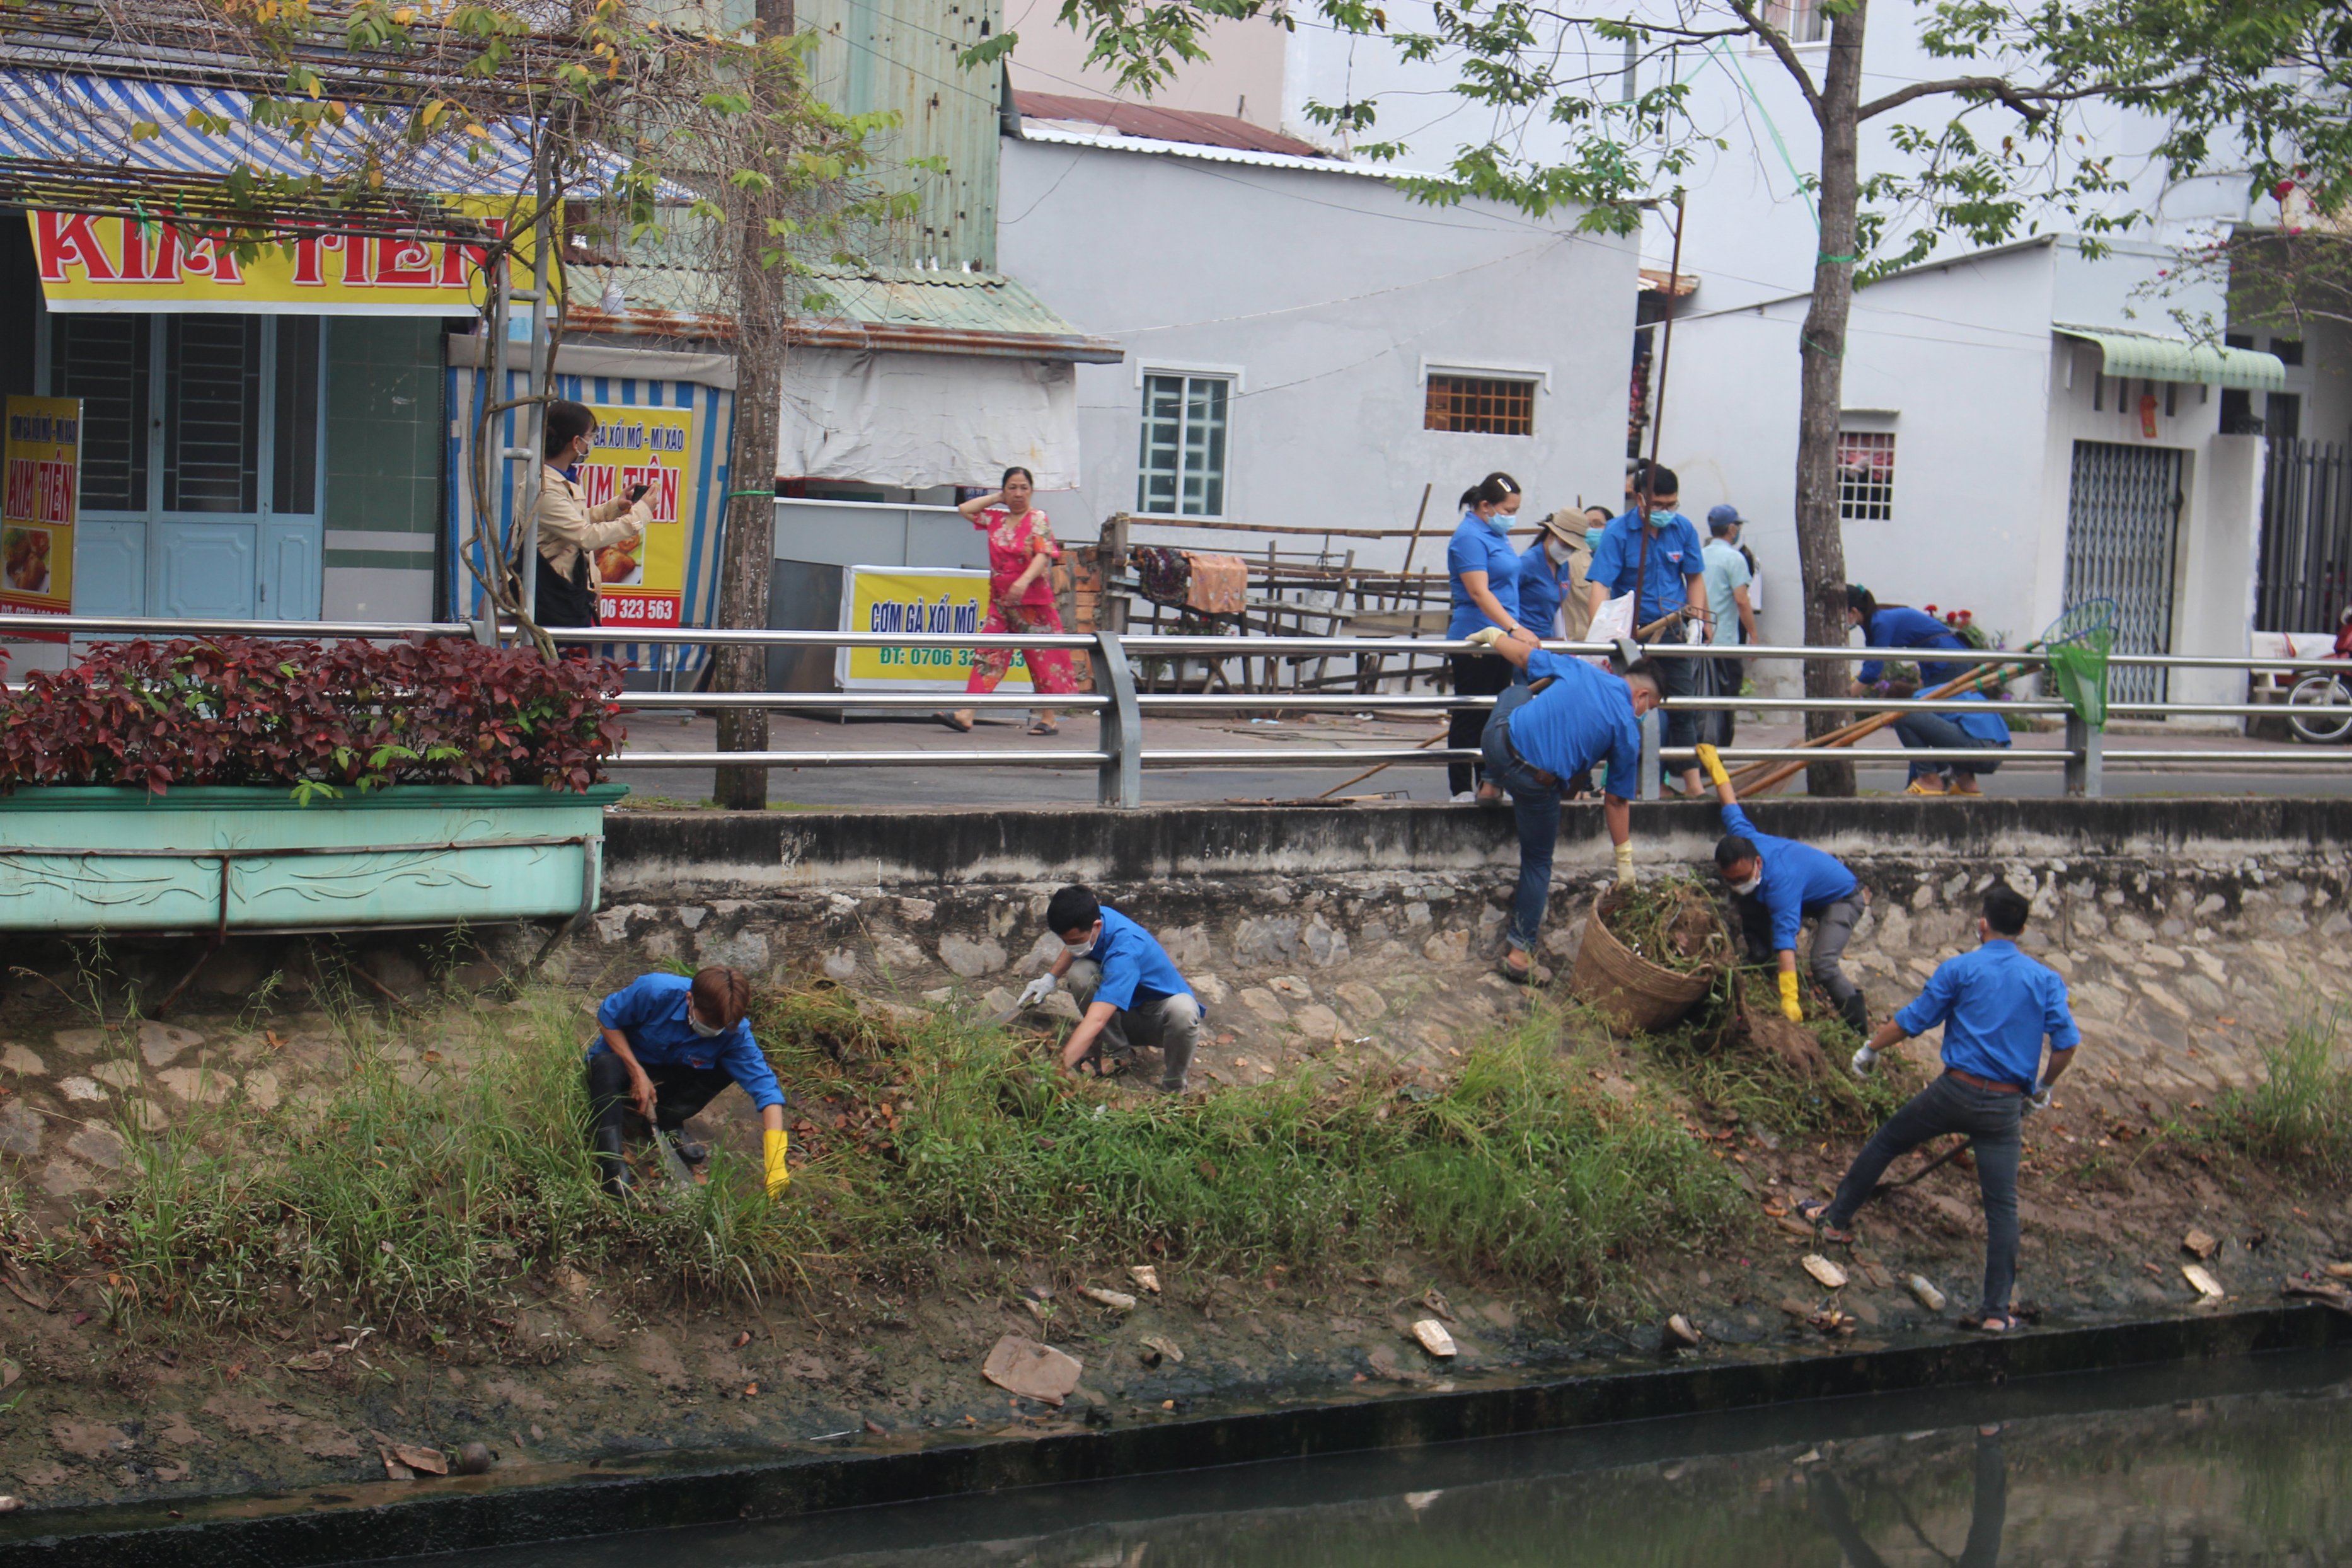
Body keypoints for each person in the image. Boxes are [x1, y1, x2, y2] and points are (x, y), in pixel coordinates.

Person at [1798, 884, 2080, 1334]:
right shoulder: (2044, 980)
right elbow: (2066, 1045)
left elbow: (1914, 1019)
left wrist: (1870, 1049)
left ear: (1982, 923)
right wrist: (2042, 1088)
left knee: (1888, 1141)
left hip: (1954, 1092)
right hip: (2004, 1107)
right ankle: (1995, 1312)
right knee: (2002, 1208)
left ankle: (1835, 1221)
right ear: (2024, 929)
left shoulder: (1961, 968)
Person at [1465, 624, 1660, 983]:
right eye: (1650, 708)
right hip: (1536, 785)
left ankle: (1490, 786)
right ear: (1642, 696)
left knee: (1515, 693)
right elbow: (1616, 801)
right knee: (1538, 862)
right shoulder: (1627, 730)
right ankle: (1520, 955)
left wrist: (1494, 636)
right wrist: (1624, 862)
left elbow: (1522, 657)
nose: (1645, 715)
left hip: (1498, 748)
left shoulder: (1580, 668)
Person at [1694, 742, 1870, 1034]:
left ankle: (1858, 1031)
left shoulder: (1781, 882)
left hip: (1842, 899)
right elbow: (1730, 803)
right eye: (1730, 880)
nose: (1737, 884)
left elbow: (1786, 941)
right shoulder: (1742, 837)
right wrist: (1715, 766)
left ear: (1758, 862)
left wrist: (1790, 999)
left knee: (1823, 963)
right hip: (1806, 892)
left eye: (1742, 877)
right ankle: (1761, 964)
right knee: (1749, 899)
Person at [587, 967, 789, 1200]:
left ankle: (668, 1120)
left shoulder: (734, 1032)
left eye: (720, 1026)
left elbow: (766, 1089)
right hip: (623, 1061)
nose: (712, 1030)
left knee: (727, 1068)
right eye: (707, 1023)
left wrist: (775, 1162)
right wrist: (636, 1071)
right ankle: (611, 1164)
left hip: (673, 1071)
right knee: (605, 1065)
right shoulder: (655, 991)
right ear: (689, 999)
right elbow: (607, 1017)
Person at [1586, 464, 1709, 795]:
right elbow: (1601, 585)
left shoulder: (1683, 529)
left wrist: (1696, 620)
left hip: (1672, 631)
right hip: (1632, 636)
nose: (1666, 512)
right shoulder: (1618, 532)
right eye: (1659, 505)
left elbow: (1694, 577)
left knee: (1683, 707)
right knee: (1629, 709)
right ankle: (1617, 783)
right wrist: (1603, 635)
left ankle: (1693, 784)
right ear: (1640, 500)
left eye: (1672, 505)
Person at [1015, 885, 1202, 1093]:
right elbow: (1073, 946)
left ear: (1097, 926)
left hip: (1160, 1024)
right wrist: (1050, 978)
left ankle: (1174, 1089)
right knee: (1080, 972)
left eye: (1075, 941)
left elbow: (1097, 1019)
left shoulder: (1126, 949)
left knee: (1184, 1010)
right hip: (1125, 1011)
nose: (1070, 946)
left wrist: (1056, 1070)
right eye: (1064, 941)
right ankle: (1119, 1054)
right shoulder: (1093, 915)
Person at [943, 467, 1080, 737]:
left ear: (1032, 491)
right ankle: (966, 713)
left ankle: (1049, 718)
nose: (1018, 494)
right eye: (1012, 488)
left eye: (1024, 488)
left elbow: (1043, 555)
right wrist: (997, 498)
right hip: (1001, 603)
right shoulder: (996, 519)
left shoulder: (1038, 518)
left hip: (1034, 605)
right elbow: (965, 509)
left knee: (1042, 660)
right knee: (988, 654)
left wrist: (1023, 581)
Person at [526, 400, 652, 630]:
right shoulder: (543, 486)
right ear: (576, 443)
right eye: (590, 437)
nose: (591, 443)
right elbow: (586, 536)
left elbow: (574, 521)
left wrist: (616, 506)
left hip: (567, 593)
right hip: (551, 597)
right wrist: (641, 513)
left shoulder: (563, 479)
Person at [1444, 472, 1530, 801]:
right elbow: (1479, 593)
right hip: (1477, 635)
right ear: (1485, 506)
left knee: (1495, 714)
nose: (1512, 517)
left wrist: (1512, 630)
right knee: (1470, 713)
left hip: (1501, 639)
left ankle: (1490, 783)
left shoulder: (1496, 536)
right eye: (1508, 510)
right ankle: (1462, 788)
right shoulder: (1469, 537)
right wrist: (1515, 627)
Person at [1847, 584, 1971, 693]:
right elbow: (1871, 660)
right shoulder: (1872, 622)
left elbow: (1873, 668)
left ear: (1854, 612)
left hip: (1948, 659)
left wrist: (1847, 696)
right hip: (1937, 660)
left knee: (1940, 707)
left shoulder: (1880, 623)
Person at [1700, 506, 1756, 744]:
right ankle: (1719, 751)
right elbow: (1742, 600)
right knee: (1725, 703)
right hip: (1724, 643)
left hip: (1699, 641)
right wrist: (1753, 635)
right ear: (1732, 529)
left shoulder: (1700, 555)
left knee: (1700, 701)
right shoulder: (1734, 558)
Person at [1893, 689, 2013, 796]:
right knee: (1951, 731)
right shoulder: (1942, 690)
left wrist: (1918, 775)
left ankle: (1929, 780)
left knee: (1903, 714)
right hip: (1999, 749)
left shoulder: (1919, 698)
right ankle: (1966, 783)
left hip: (1980, 746)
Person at [1514, 509, 1591, 648]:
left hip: (1548, 639)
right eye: (1565, 544)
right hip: (1523, 641)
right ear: (1551, 534)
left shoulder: (1563, 566)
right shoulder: (1528, 563)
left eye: (1573, 548)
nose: (1568, 551)